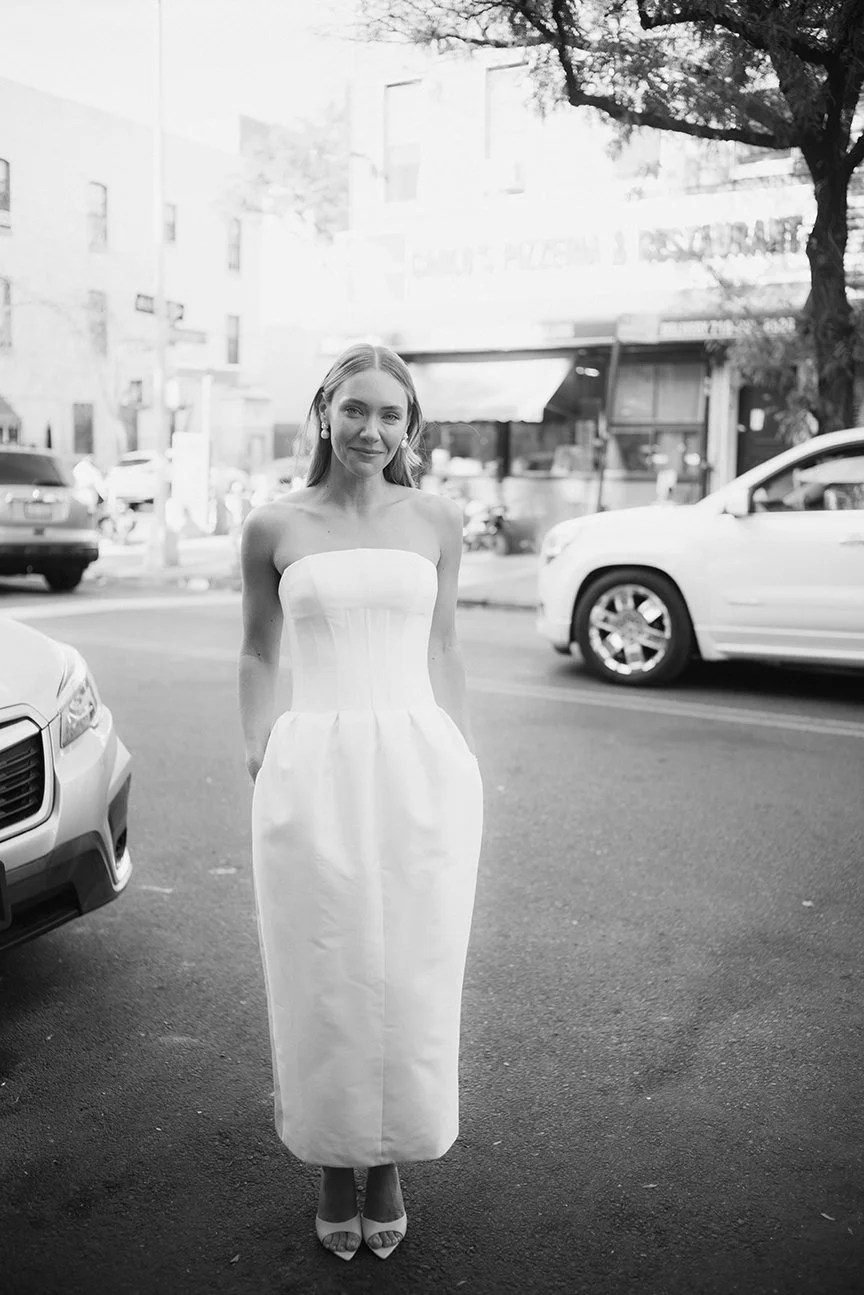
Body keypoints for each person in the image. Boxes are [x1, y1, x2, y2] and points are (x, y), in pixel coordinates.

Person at [238, 343, 484, 1262]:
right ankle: (335, 1166)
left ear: (410, 426)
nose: (371, 430)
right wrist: (260, 745)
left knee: (415, 969)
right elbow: (258, 651)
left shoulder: (437, 519)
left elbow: (447, 647)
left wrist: (460, 753)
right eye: (355, 410)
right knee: (324, 967)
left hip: (421, 764)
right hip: (316, 765)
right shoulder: (274, 525)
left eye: (390, 414)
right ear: (324, 412)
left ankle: (389, 1164)